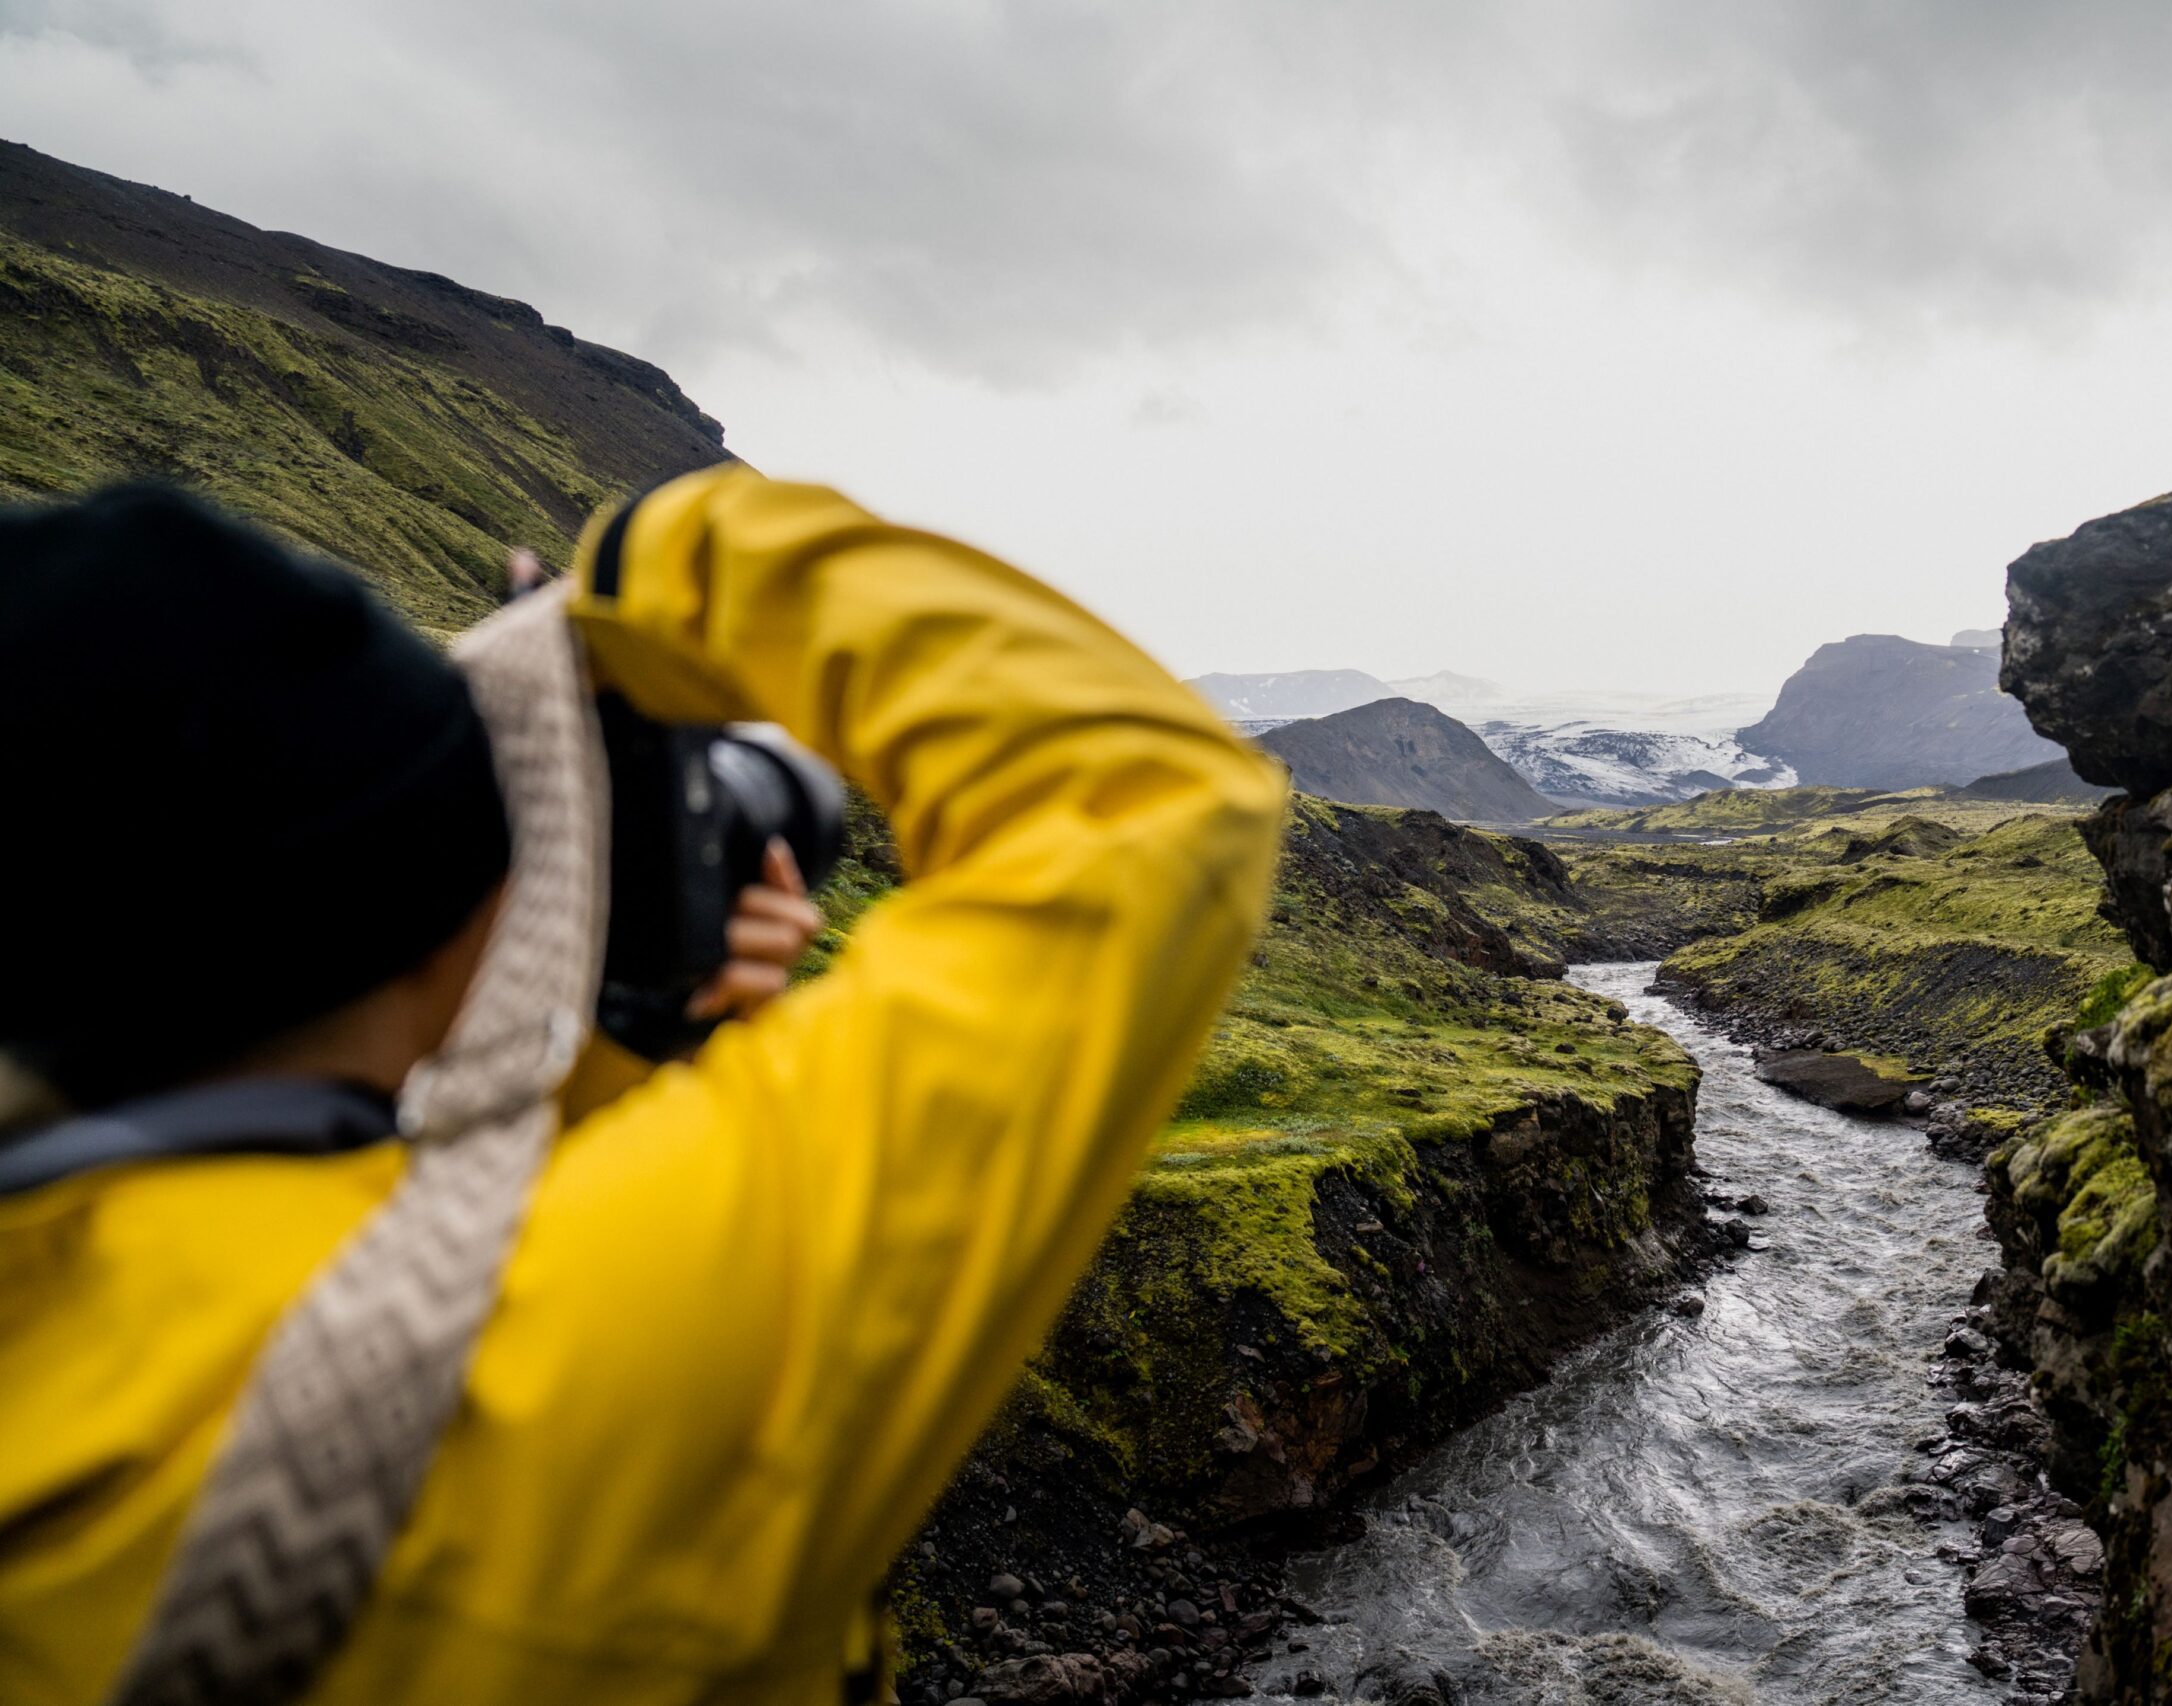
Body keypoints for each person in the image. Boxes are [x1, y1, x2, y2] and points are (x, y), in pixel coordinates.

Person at [0, 471, 1288, 1703]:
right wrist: (658, 566)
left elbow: (414, 1231)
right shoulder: (563, 1351)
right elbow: (1146, 799)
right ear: (414, 898)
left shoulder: (82, 1294)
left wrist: (634, 1041)